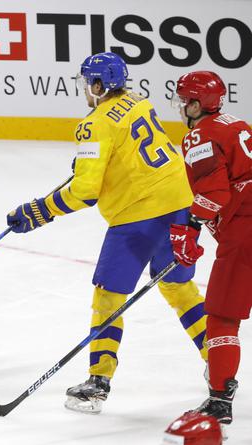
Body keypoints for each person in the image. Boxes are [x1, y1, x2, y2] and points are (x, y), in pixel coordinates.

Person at [5, 52, 208, 414]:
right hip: (180, 202)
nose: (85, 89)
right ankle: (219, 362)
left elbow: (84, 192)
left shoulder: (93, 125)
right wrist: (95, 160)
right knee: (179, 287)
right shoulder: (138, 101)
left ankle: (98, 382)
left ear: (99, 86)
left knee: (108, 297)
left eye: (88, 83)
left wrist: (39, 211)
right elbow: (132, 151)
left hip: (138, 215)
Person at [166, 71, 252, 431]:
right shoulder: (237, 124)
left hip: (244, 233)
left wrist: (189, 225)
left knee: (220, 316)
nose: (182, 107)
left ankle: (219, 401)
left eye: (185, 100)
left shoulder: (200, 135)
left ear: (198, 104)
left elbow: (215, 194)